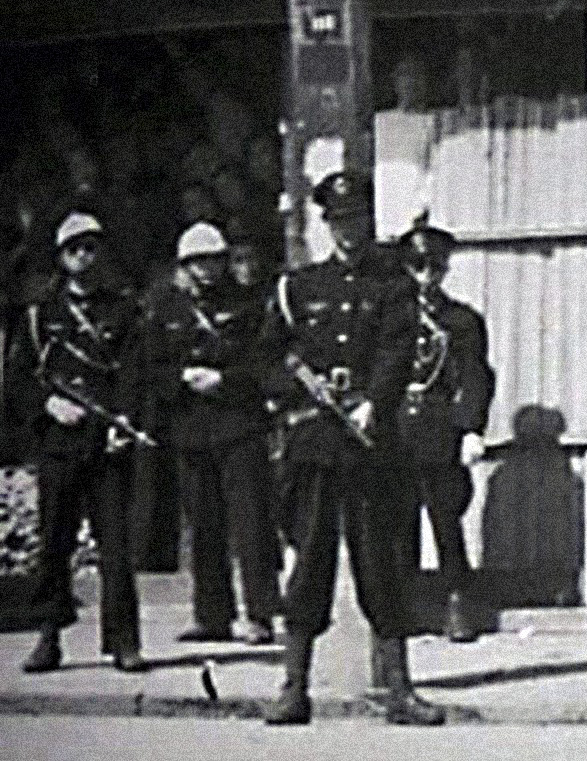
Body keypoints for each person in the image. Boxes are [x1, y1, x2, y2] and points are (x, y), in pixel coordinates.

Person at [259, 169, 442, 726]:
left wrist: (375, 403)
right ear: (326, 225)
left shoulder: (393, 284)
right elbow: (267, 361)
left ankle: (400, 692)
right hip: (315, 444)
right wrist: (296, 386)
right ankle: (293, 688)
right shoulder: (299, 288)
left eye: (358, 219)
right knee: (309, 563)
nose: (349, 230)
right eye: (339, 221)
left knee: (380, 565)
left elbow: (398, 350)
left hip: (370, 445)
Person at [5, 211, 149, 673]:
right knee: (55, 544)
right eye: (75, 249)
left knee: (116, 547)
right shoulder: (38, 315)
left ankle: (124, 641)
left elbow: (132, 373)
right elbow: (17, 380)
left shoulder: (121, 310)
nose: (84, 257)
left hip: (105, 442)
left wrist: (122, 422)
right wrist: (48, 405)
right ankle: (49, 636)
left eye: (91, 247)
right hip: (61, 444)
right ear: (61, 258)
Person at [144, 221, 280, 644]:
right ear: (183, 265)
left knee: (251, 523)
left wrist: (225, 380)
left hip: (239, 424)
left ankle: (259, 612)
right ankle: (212, 614)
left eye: (212, 260)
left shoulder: (249, 305)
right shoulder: (165, 310)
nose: (205, 269)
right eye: (196, 261)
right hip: (190, 428)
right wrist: (181, 378)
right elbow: (149, 366)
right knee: (203, 526)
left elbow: (265, 362)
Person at [395, 222, 493, 643]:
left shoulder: (462, 321)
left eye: (434, 267)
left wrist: (470, 428)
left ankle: (457, 603)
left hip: (439, 429)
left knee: (446, 521)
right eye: (417, 266)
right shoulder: (390, 317)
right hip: (394, 428)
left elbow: (475, 377)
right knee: (397, 523)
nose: (426, 276)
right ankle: (402, 608)